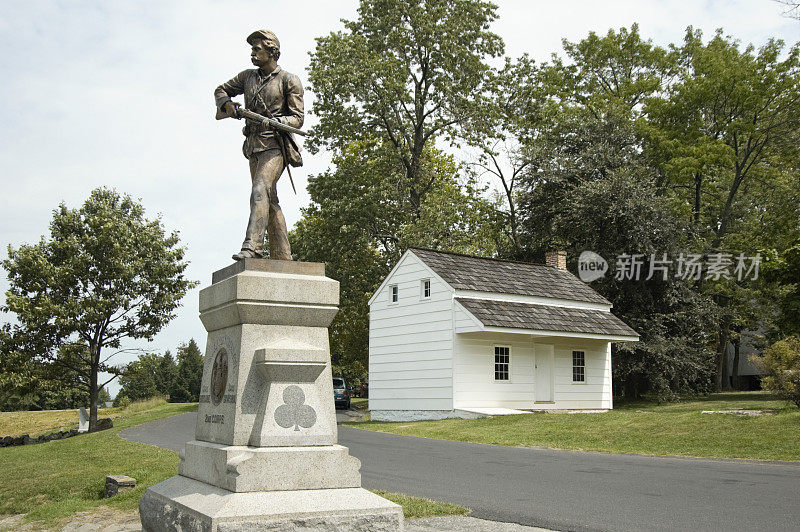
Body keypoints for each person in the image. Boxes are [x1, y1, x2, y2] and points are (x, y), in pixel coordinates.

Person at [214, 29, 304, 261]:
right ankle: (282, 255)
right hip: (253, 145)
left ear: (271, 51)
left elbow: (297, 118)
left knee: (259, 191)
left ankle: (252, 247)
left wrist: (278, 121)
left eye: (257, 49)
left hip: (275, 145)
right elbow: (221, 90)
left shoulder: (289, 80)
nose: (253, 53)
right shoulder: (247, 77)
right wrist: (228, 105)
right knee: (269, 199)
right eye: (252, 49)